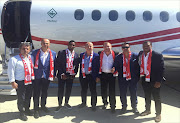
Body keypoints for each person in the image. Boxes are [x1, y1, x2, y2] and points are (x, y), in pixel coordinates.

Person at [139, 41, 164, 122]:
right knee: (147, 96)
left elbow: (161, 69)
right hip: (145, 79)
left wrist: (159, 81)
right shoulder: (141, 54)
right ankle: (147, 110)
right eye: (144, 46)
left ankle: (158, 114)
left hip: (154, 80)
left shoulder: (157, 55)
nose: (146, 47)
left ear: (151, 46)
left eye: (148, 46)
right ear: (142, 47)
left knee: (157, 98)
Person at [8, 42, 34, 121]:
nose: (25, 50)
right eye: (23, 49)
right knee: (21, 98)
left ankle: (27, 109)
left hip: (29, 81)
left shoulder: (31, 58)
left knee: (28, 97)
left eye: (27, 49)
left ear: (29, 50)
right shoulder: (14, 59)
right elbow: (11, 71)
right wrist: (13, 82)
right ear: (20, 49)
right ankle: (21, 112)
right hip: (20, 82)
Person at [31, 38, 56, 119]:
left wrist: (53, 75)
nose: (46, 45)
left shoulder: (53, 53)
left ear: (49, 44)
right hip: (37, 76)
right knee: (36, 93)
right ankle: (36, 109)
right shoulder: (34, 53)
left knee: (45, 92)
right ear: (41, 44)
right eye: (44, 43)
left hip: (46, 76)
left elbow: (54, 66)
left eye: (47, 43)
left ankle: (43, 106)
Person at [113, 42, 140, 115]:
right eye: (123, 48)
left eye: (127, 47)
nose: (125, 49)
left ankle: (134, 107)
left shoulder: (135, 56)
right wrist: (114, 70)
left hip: (132, 78)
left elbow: (138, 67)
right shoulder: (119, 57)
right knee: (122, 93)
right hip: (122, 78)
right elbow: (116, 66)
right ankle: (124, 107)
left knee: (133, 93)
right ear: (122, 49)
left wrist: (137, 77)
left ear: (129, 48)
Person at [55, 40, 79, 112]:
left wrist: (74, 73)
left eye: (73, 45)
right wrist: (62, 74)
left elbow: (77, 65)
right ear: (68, 45)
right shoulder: (61, 53)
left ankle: (66, 102)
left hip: (70, 75)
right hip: (62, 75)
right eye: (70, 45)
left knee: (69, 89)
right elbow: (58, 64)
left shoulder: (76, 54)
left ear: (75, 46)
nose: (72, 46)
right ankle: (59, 104)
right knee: (61, 90)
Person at [78, 42, 99, 111]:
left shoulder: (96, 56)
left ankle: (93, 105)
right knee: (83, 90)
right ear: (85, 47)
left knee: (93, 91)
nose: (89, 47)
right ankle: (83, 102)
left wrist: (97, 76)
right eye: (87, 46)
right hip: (83, 76)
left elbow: (98, 67)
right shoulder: (82, 55)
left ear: (93, 47)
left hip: (92, 76)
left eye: (90, 46)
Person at [98, 42, 118, 113]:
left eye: (108, 46)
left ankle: (113, 106)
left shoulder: (115, 53)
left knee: (112, 91)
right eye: (105, 46)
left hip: (111, 75)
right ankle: (105, 102)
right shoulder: (100, 53)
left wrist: (115, 68)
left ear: (111, 46)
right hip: (103, 74)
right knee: (103, 90)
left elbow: (118, 63)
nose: (107, 48)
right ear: (103, 47)